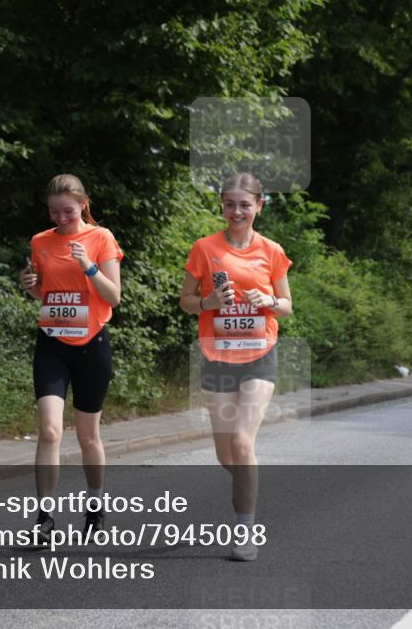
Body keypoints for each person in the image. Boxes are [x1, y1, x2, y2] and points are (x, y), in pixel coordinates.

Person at [179, 173, 292, 561]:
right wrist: (209, 302)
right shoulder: (204, 248)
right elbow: (186, 302)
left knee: (243, 443)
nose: (237, 211)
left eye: (245, 204)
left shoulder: (272, 251)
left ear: (260, 205)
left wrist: (268, 300)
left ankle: (244, 530)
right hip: (217, 356)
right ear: (222, 207)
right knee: (226, 456)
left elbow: (287, 306)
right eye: (230, 204)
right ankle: (250, 481)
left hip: (260, 354)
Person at [19, 174, 123, 542]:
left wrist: (89, 267)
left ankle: (95, 505)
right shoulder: (40, 242)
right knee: (49, 429)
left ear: (83, 205)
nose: (60, 218)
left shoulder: (101, 238)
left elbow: (113, 298)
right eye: (53, 212)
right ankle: (44, 518)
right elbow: (47, 294)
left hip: (92, 345)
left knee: (87, 436)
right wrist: (32, 288)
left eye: (67, 211)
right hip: (52, 344)